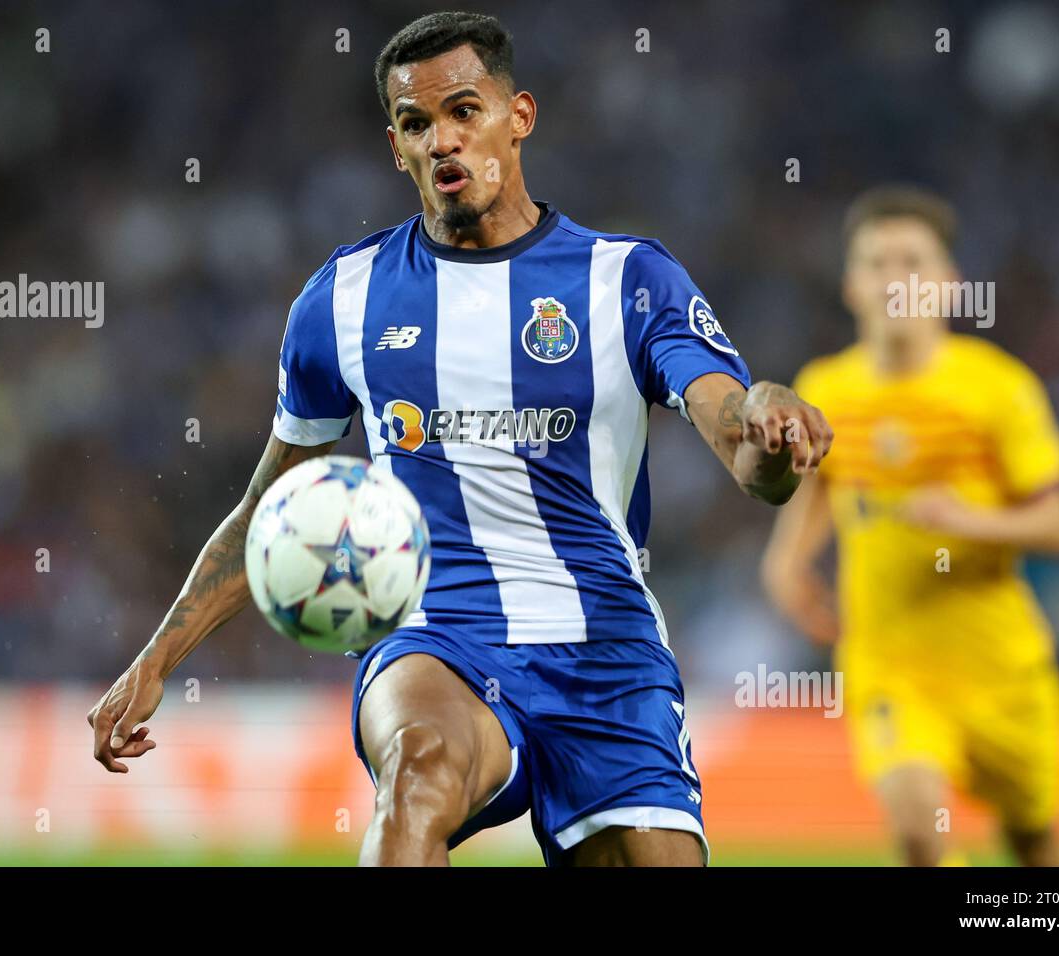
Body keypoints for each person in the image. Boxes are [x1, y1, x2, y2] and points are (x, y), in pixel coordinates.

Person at [89, 11, 832, 867]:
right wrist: (156, 658)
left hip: (606, 644)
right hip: (436, 633)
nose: (442, 139)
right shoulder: (344, 299)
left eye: (464, 111)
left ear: (519, 117)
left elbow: (744, 448)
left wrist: (770, 430)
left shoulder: (625, 278)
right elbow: (268, 509)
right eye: (416, 124)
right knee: (420, 772)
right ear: (395, 147)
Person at [762, 185, 1059, 866]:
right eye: (877, 263)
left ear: (949, 283)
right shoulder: (829, 387)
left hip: (1000, 667)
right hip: (890, 666)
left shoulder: (998, 388)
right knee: (919, 833)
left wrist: (970, 520)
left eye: (913, 261)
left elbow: (1058, 523)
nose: (895, 279)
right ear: (851, 284)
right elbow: (821, 489)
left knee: (1034, 841)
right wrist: (786, 563)